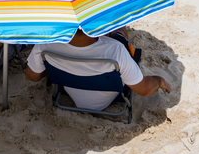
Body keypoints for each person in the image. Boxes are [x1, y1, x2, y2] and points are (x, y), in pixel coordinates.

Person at [25, 28, 171, 112]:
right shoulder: (115, 49)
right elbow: (144, 90)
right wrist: (159, 81)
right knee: (118, 33)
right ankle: (117, 32)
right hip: (108, 95)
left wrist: (53, 67)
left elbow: (31, 76)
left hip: (70, 88)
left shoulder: (45, 44)